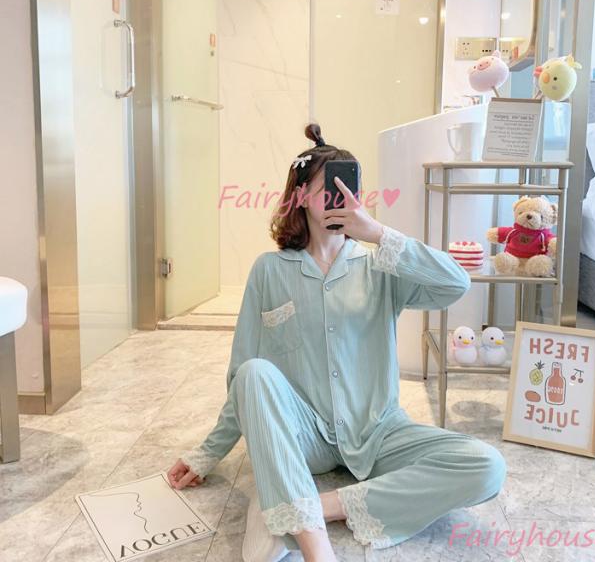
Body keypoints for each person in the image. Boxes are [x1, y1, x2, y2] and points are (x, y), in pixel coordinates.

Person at [168, 123, 507, 561]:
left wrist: (379, 233)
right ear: (299, 196)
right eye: (326, 186)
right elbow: (242, 376)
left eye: (349, 186)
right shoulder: (269, 270)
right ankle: (316, 547)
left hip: (378, 431)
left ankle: (305, 506)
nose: (339, 195)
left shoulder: (379, 267)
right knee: (254, 372)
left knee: (485, 466)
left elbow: (455, 283)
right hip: (304, 435)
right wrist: (206, 454)